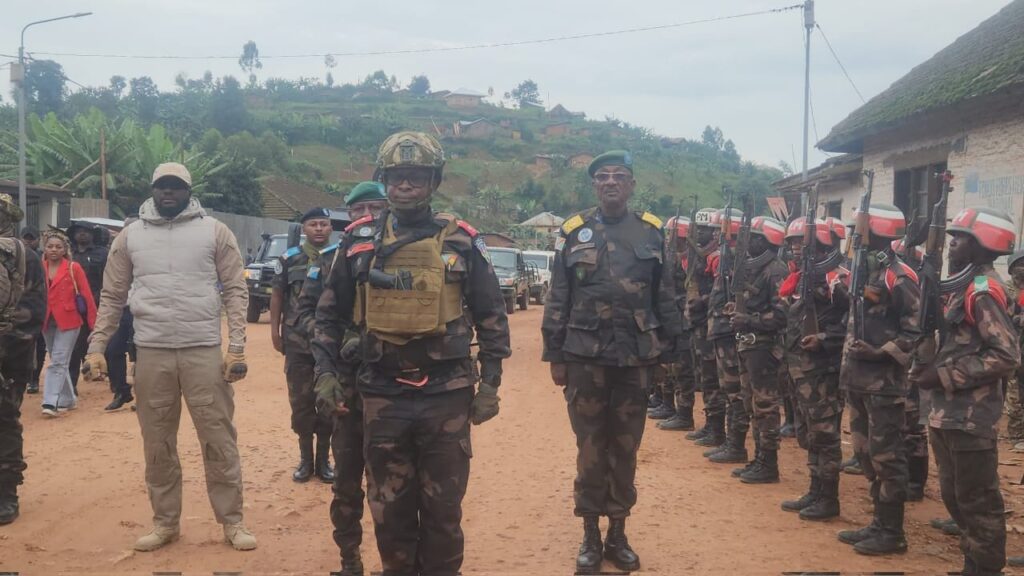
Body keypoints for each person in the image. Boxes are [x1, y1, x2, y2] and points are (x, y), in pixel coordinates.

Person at [313, 132, 510, 576]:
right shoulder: (358, 242)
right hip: (382, 396)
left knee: (444, 513)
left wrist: (490, 385)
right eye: (397, 176)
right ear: (384, 180)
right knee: (390, 512)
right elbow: (327, 318)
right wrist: (325, 374)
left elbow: (492, 317)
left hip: (447, 395)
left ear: (434, 181)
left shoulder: (462, 241)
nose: (405, 185)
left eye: (416, 176)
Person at [81, 162, 256, 552]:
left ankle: (233, 522)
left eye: (176, 187)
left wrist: (237, 346)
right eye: (162, 186)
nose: (169, 193)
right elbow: (111, 296)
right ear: (152, 190)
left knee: (218, 441)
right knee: (157, 444)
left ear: (188, 191)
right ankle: (165, 524)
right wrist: (96, 346)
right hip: (152, 352)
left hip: (203, 352)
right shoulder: (129, 237)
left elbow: (234, 289)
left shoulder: (215, 231)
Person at [542, 150, 680, 574]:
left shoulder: (652, 234)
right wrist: (555, 353)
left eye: (620, 176)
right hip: (585, 358)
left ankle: (618, 534)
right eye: (603, 177)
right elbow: (558, 297)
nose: (611, 182)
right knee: (589, 449)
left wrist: (671, 353)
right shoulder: (575, 233)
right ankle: (589, 535)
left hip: (636, 358)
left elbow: (666, 297)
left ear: (632, 184)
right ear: (594, 185)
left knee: (625, 448)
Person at [913, 207, 1019, 576]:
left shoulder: (983, 290)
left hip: (971, 416)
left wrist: (942, 376)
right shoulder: (963, 285)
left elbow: (1005, 356)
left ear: (981, 245)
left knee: (978, 501)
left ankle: (986, 569)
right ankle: (972, 563)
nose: (952, 243)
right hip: (948, 412)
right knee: (956, 496)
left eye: (960, 238)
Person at [296, 180, 385, 575]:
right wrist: (338, 343)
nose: (365, 217)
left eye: (373, 209)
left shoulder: (406, 256)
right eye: (357, 210)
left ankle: (397, 561)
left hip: (393, 384)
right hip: (346, 382)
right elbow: (305, 314)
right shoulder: (333, 257)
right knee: (347, 479)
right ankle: (350, 560)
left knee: (392, 484)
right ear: (347, 216)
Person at [837, 203, 921, 556]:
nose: (855, 238)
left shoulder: (899, 277)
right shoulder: (863, 271)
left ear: (881, 235)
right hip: (857, 380)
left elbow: (915, 332)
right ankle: (878, 522)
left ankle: (892, 532)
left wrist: (880, 351)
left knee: (888, 458)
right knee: (867, 455)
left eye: (860, 232)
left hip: (884, 384)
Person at [779, 218, 848, 520]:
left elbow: (853, 322)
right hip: (800, 369)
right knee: (808, 432)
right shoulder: (800, 278)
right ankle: (815, 489)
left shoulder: (837, 278)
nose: (795, 248)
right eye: (792, 243)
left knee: (825, 434)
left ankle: (829, 498)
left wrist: (825, 338)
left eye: (801, 243)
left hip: (823, 370)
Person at [272, 206, 337, 484]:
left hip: (329, 344)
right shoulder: (290, 259)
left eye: (324, 224)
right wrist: (275, 331)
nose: (319, 229)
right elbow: (277, 294)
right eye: (313, 224)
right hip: (297, 342)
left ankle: (324, 460)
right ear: (304, 229)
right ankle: (305, 460)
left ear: (331, 228)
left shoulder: (339, 259)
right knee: (300, 402)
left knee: (328, 401)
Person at [728, 216, 788, 483]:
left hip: (765, 348)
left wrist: (748, 320)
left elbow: (782, 315)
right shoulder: (756, 268)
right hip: (750, 345)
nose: (748, 242)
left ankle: (768, 463)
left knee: (765, 406)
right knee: (752, 404)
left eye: (754, 237)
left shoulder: (775, 270)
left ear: (767, 241)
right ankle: (759, 458)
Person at [0, 194, 40, 525]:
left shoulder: (22, 255)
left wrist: (9, 342)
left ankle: (6, 493)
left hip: (8, 352)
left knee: (4, 421)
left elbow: (33, 309)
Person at [704, 207, 749, 465]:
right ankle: (727, 439)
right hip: (719, 330)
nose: (714, 234)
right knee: (725, 387)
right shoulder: (725, 256)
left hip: (730, 331)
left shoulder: (735, 259)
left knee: (734, 390)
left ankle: (735, 445)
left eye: (718, 229)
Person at [40, 228, 95, 416]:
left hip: (70, 320)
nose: (54, 250)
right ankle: (68, 399)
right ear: (44, 249)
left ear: (65, 249)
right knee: (57, 360)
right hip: (46, 320)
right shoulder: (40, 267)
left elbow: (86, 295)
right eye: (50, 246)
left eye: (58, 247)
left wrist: (94, 325)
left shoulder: (74, 268)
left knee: (58, 361)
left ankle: (49, 402)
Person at [686, 208, 728, 448]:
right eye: (698, 229)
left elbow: (719, 291)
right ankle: (712, 425)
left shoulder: (719, 257)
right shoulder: (701, 256)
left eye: (706, 229)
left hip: (713, 323)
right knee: (707, 377)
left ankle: (718, 430)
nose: (700, 233)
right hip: (702, 322)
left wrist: (703, 300)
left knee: (714, 378)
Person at [656, 216, 697, 431]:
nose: (669, 240)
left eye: (673, 235)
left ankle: (684, 413)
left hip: (684, 319)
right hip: (674, 318)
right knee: (671, 366)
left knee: (683, 368)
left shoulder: (691, 259)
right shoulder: (673, 257)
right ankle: (669, 404)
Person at [67, 221, 109, 394]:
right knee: (74, 346)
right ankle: (71, 386)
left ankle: (110, 377)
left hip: (98, 305)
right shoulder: (68, 255)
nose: (82, 234)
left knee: (100, 340)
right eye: (79, 231)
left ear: (93, 235)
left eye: (86, 231)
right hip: (73, 307)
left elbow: (108, 279)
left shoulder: (103, 254)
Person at [19, 226, 44, 396]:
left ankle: (33, 379)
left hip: (36, 309)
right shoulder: (13, 255)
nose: (28, 241)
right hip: (16, 310)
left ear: (38, 239)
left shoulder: (43, 257)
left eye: (31, 238)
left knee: (38, 347)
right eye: (26, 238)